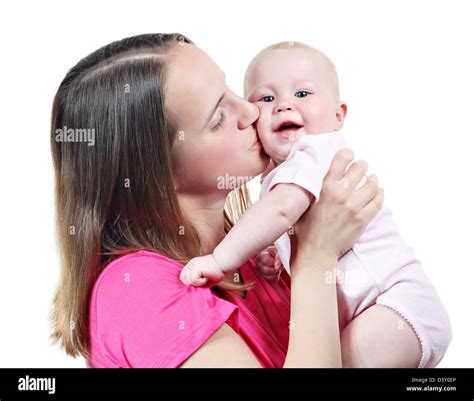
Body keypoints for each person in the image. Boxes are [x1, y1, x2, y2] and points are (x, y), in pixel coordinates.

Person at [50, 34, 398, 368]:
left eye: (230, 90)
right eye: (218, 118)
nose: (250, 111)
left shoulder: (257, 253)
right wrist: (318, 254)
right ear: (156, 174)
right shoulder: (136, 290)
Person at [179, 42, 452, 368]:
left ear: (339, 116)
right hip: (375, 309)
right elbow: (292, 227)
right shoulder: (286, 172)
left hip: (396, 306)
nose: (283, 106)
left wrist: (219, 259)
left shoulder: (315, 152)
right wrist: (274, 253)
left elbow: (282, 210)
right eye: (266, 99)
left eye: (303, 94)